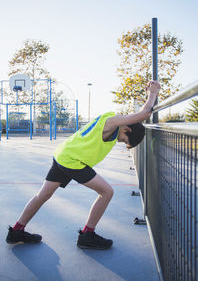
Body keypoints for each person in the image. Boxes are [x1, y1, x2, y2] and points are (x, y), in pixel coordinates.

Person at [6, 80, 160, 249]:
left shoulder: (116, 125)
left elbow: (137, 118)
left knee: (43, 194)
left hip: (64, 155)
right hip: (72, 160)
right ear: (127, 130)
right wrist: (153, 93)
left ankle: (16, 231)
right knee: (107, 191)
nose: (120, 141)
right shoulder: (111, 122)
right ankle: (88, 235)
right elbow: (144, 113)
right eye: (124, 140)